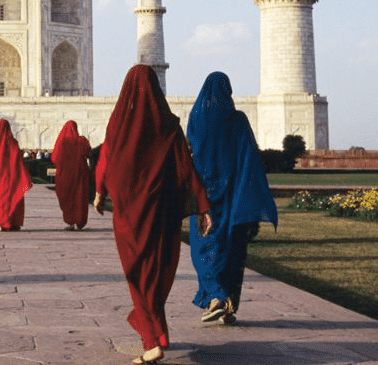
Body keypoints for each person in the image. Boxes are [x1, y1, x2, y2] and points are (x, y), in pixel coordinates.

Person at [95, 65, 213, 364]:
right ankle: (159, 334)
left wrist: (99, 192)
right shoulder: (169, 126)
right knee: (155, 275)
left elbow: (106, 160)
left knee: (138, 276)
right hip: (161, 215)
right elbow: (187, 167)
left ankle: (151, 342)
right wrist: (202, 206)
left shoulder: (118, 125)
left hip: (129, 216)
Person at [187, 71, 278, 325]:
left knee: (202, 250)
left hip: (205, 198)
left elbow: (190, 155)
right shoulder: (238, 121)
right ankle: (226, 304)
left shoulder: (196, 118)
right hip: (233, 197)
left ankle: (218, 298)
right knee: (232, 250)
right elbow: (250, 158)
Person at [0, 119, 32, 231]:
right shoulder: (12, 142)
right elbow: (18, 160)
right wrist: (23, 175)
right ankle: (11, 222)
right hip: (10, 176)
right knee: (10, 197)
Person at [50, 121, 92, 230]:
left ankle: (71, 222)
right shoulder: (82, 141)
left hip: (65, 175)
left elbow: (54, 158)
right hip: (81, 174)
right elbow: (89, 153)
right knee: (80, 197)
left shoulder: (62, 143)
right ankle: (80, 222)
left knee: (68, 198)